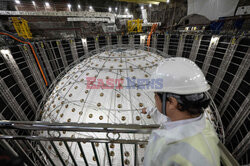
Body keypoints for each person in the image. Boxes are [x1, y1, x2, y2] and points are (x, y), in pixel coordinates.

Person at [143, 57, 220, 166]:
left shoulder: (167, 146)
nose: (155, 99)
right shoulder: (206, 128)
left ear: (172, 102)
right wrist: (148, 110)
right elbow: (165, 116)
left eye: (155, 95)